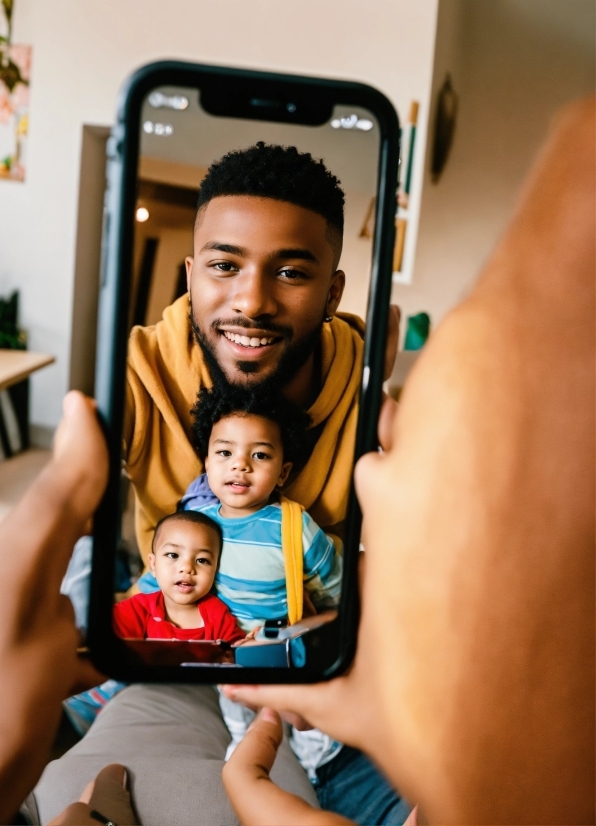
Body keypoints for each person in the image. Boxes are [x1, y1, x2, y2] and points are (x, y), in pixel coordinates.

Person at [4, 98, 592, 824]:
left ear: (334, 290)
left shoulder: (372, 396)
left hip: (301, 616)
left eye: (290, 272)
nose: (250, 301)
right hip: (172, 587)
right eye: (224, 266)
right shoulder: (140, 368)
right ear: (191, 276)